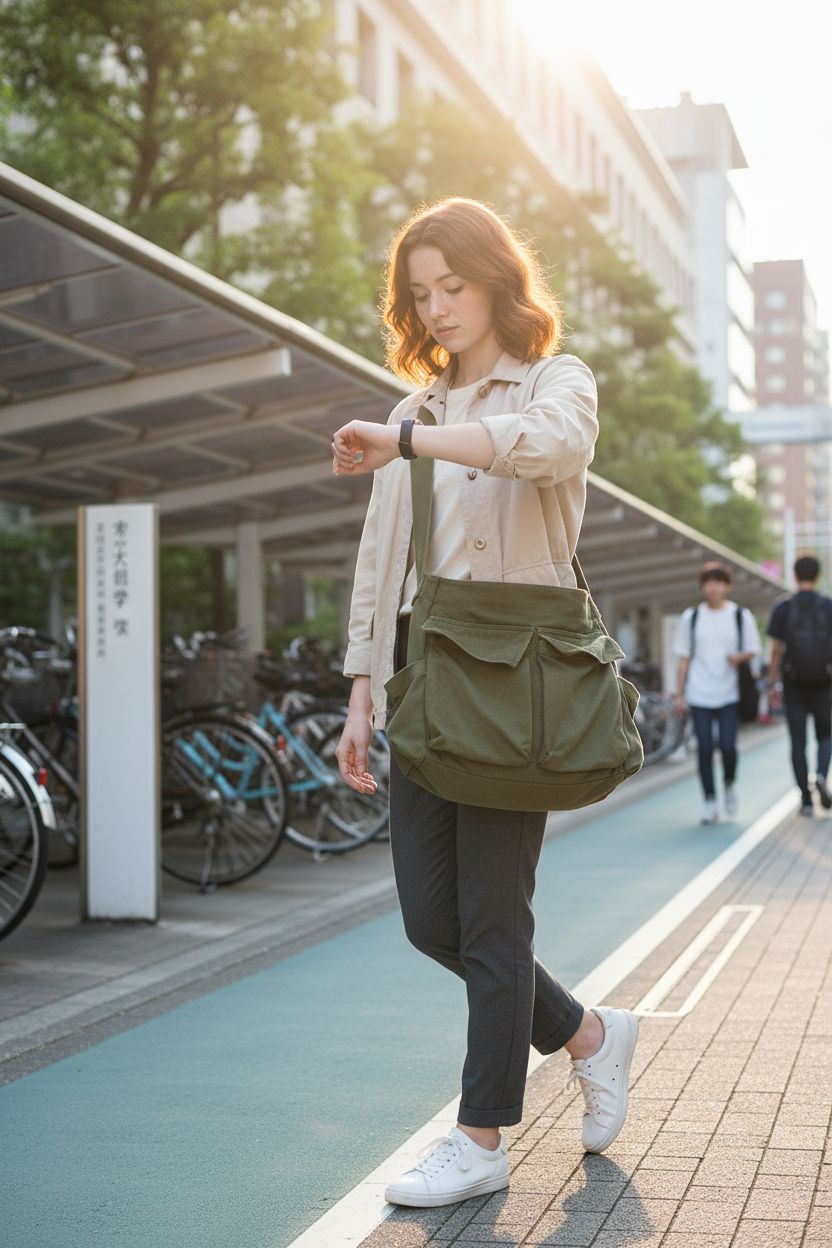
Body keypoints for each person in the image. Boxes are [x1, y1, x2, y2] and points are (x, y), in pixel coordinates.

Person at [330, 198, 639, 1209]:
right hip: (427, 680)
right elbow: (380, 563)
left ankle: (480, 1137)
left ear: (496, 279)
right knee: (434, 920)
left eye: (452, 286)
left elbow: (549, 448)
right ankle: (588, 1035)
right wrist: (360, 691)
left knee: (496, 922)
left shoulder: (556, 380)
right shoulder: (412, 411)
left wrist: (411, 444)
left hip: (515, 682)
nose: (436, 308)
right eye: (420, 293)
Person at [673, 562, 762, 825]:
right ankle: (710, 801)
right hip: (699, 692)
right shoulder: (691, 617)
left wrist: (738, 657)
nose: (713, 588)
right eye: (708, 583)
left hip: (730, 693)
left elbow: (753, 648)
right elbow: (683, 658)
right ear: (702, 587)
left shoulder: (740, 615)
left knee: (728, 746)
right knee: (703, 749)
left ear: (728, 586)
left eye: (718, 582)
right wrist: (679, 694)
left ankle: (729, 783)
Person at [766, 555, 832, 816]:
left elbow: (776, 649)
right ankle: (821, 775)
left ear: (795, 576)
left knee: (797, 743)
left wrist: (772, 681)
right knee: (826, 735)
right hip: (824, 683)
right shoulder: (828, 605)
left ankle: (805, 799)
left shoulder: (784, 607)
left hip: (793, 684)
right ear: (817, 576)